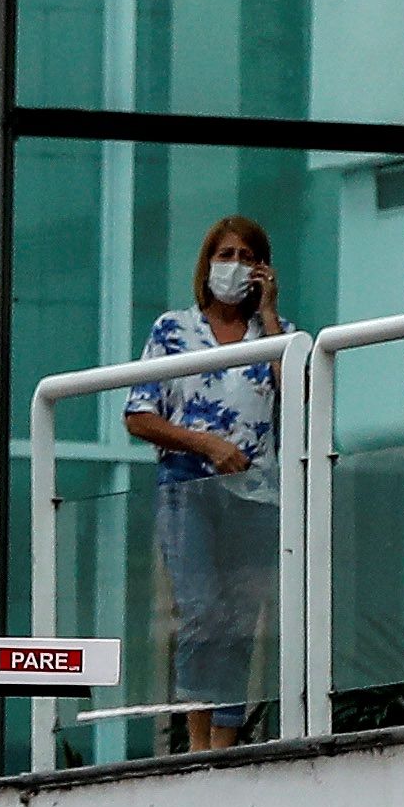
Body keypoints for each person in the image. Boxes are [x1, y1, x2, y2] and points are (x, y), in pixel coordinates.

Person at [121, 215, 284, 749]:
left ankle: (225, 742)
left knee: (240, 618)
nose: (234, 266)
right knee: (200, 609)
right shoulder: (174, 330)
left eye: (246, 256)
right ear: (207, 262)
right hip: (189, 486)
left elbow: (303, 400)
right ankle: (194, 740)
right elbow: (139, 415)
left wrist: (270, 315)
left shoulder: (276, 336)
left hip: (256, 494)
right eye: (226, 254)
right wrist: (208, 443)